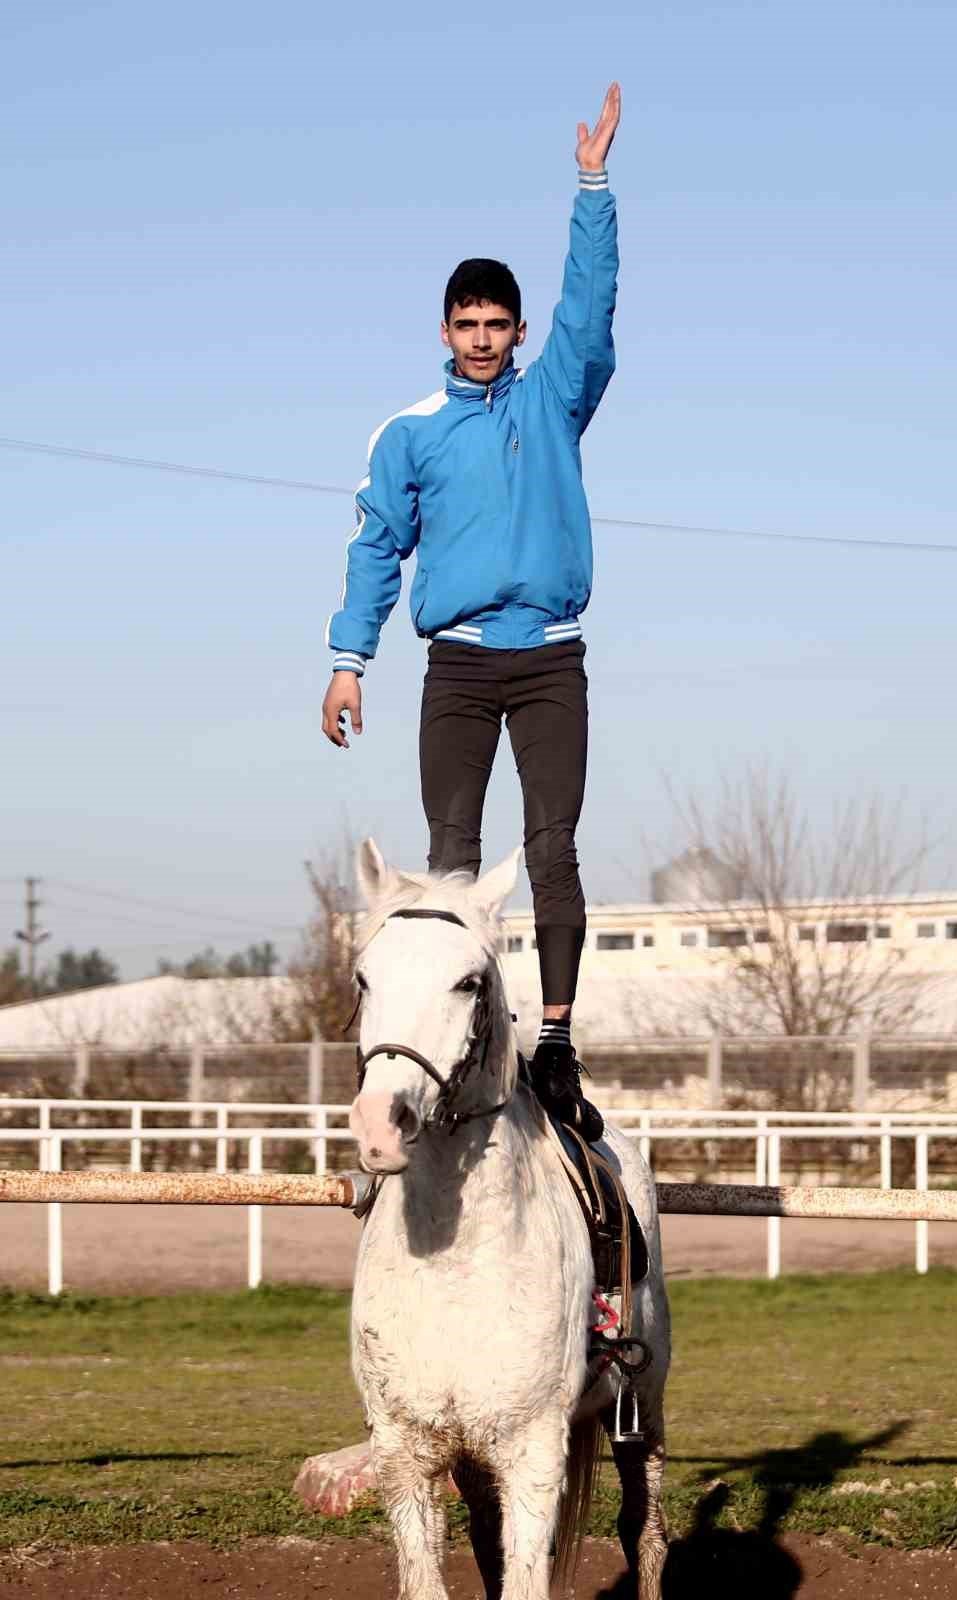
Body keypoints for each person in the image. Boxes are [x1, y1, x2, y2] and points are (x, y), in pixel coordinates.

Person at [322, 84, 622, 1142]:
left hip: (549, 660)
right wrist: (348, 657)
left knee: (552, 850)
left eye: (499, 324)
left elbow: (592, 309)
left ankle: (553, 1037)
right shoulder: (408, 432)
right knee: (449, 861)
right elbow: (375, 545)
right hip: (454, 665)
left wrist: (592, 187)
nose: (484, 338)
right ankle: (444, 1056)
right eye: (468, 324)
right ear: (444, 329)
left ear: (519, 329)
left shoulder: (553, 398)